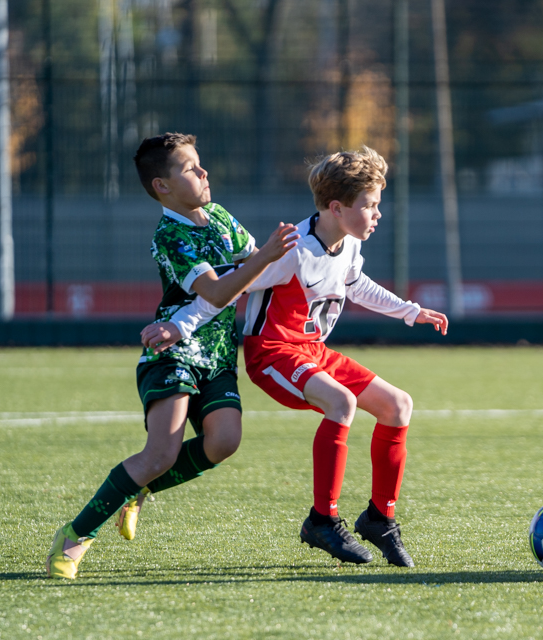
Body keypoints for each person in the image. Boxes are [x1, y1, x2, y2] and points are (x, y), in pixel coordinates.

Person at [142, 146, 448, 567]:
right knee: (342, 403)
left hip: (313, 352)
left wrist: (411, 311)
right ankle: (322, 520)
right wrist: (179, 325)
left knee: (398, 406)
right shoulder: (294, 250)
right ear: (337, 208)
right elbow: (229, 287)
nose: (377, 214)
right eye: (370, 206)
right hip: (273, 354)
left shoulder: (348, 243)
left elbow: (356, 284)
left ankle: (381, 518)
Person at [45, 132, 299, 579]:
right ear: (162, 186)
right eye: (189, 168)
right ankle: (74, 535)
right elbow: (220, 290)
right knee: (160, 453)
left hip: (218, 356)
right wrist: (264, 259)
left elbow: (259, 268)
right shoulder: (170, 236)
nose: (203, 172)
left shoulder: (219, 216)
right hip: (175, 353)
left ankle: (137, 491)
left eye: (200, 164)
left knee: (225, 442)